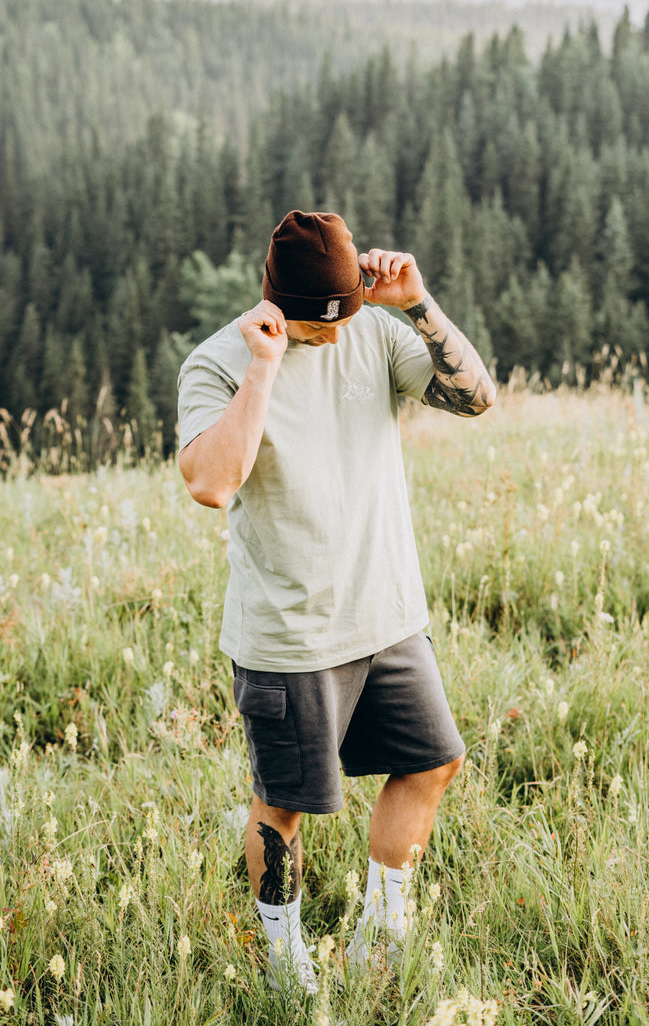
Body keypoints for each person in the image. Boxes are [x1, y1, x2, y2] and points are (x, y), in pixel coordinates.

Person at [177, 210, 496, 993]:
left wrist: (415, 304)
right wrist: (263, 367)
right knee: (283, 805)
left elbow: (476, 396)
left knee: (432, 762)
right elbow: (212, 484)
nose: (332, 334)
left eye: (344, 314)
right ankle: (286, 964)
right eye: (317, 322)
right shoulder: (217, 363)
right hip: (290, 634)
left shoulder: (375, 331)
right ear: (272, 295)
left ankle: (380, 933)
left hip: (388, 616)